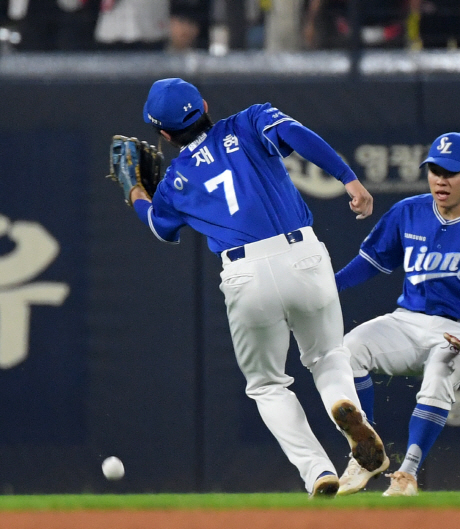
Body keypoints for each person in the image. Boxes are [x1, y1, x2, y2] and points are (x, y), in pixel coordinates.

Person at [123, 78, 390, 497]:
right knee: (328, 357)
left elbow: (158, 225)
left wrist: (137, 192)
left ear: (164, 134)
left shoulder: (175, 179)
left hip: (245, 274)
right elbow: (296, 134)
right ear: (205, 105)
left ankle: (317, 471)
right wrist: (348, 179)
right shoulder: (247, 122)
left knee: (267, 385)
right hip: (303, 255)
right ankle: (346, 408)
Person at [334, 132, 460, 497]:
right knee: (348, 350)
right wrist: (332, 286)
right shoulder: (409, 211)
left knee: (438, 374)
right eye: (434, 170)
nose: (441, 179)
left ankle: (407, 473)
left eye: (451, 172)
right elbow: (370, 262)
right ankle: (365, 454)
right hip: (408, 320)